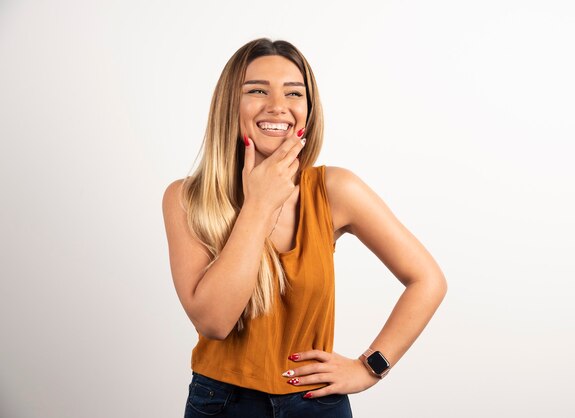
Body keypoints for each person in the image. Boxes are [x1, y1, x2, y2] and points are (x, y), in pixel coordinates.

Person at [162, 38, 447, 418]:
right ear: (230, 104)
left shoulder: (335, 190)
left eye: (294, 93)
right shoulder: (186, 198)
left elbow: (427, 279)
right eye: (257, 90)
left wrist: (369, 368)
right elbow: (214, 321)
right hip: (221, 404)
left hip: (317, 404)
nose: (278, 105)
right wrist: (259, 205)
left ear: (308, 111)